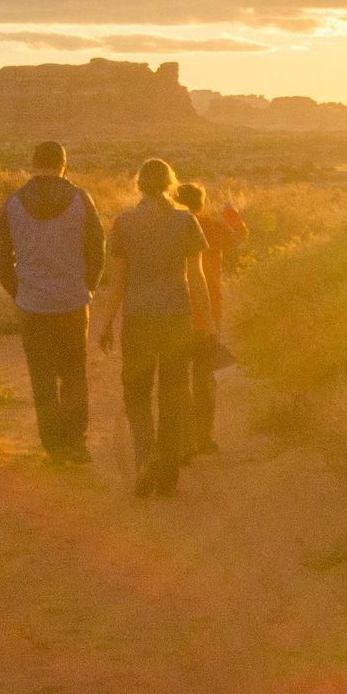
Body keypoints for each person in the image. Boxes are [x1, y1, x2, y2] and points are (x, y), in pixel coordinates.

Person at [93, 157, 208, 499]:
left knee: (136, 392)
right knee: (173, 394)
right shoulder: (186, 220)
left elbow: (117, 285)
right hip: (177, 317)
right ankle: (168, 477)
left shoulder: (124, 223)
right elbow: (197, 279)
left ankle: (146, 456)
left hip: (139, 319)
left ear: (139, 185)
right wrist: (209, 322)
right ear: (172, 184)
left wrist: (106, 324)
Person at [0, 140, 105, 465]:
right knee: (74, 372)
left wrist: (19, 292)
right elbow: (98, 246)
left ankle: (54, 447)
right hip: (73, 302)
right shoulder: (81, 199)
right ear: (63, 164)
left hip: (32, 305)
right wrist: (89, 287)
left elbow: (2, 255)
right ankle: (76, 443)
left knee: (41, 377)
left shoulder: (13, 202)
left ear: (33, 163)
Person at [172, 181, 248, 458]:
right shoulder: (211, 229)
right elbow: (238, 238)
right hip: (206, 317)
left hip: (174, 315)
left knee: (177, 382)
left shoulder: (170, 229)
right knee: (204, 380)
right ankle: (203, 438)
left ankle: (181, 441)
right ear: (202, 204)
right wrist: (233, 217)